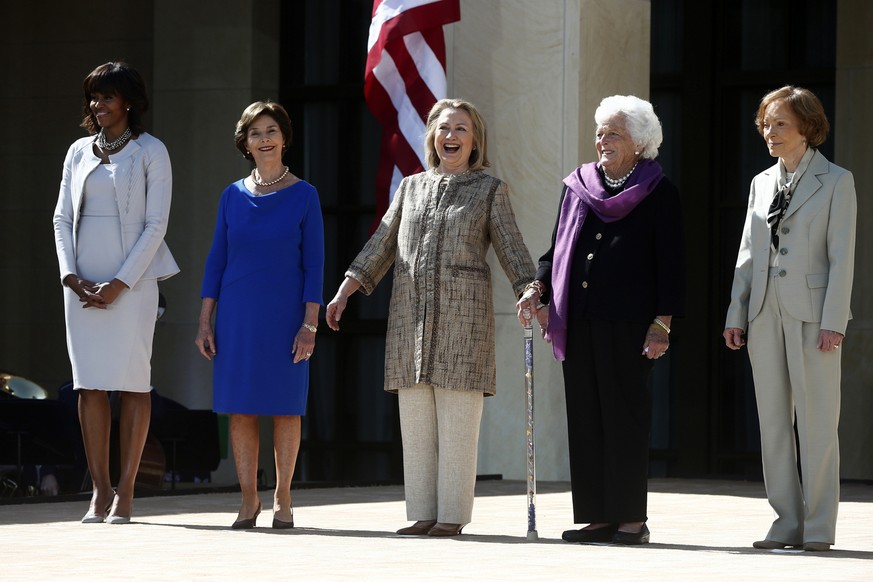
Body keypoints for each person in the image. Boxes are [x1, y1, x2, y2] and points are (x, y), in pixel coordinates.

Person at [326, 98, 535, 537]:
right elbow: (382, 242)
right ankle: (423, 513)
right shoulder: (411, 187)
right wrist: (346, 289)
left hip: (464, 326)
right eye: (443, 129)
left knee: (458, 427)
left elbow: (512, 248)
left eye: (461, 129)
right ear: (432, 137)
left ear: (474, 139)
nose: (451, 136)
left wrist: (530, 289)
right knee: (417, 427)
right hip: (409, 322)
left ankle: (452, 517)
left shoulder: (489, 189)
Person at [518, 95, 686, 545]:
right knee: (588, 417)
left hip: (630, 324)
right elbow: (555, 251)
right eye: (600, 132)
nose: (603, 140)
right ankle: (597, 516)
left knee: (624, 417)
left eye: (614, 133)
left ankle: (631, 518)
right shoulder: (579, 186)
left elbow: (671, 264)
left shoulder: (658, 190)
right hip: (580, 319)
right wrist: (537, 287)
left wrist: (662, 323)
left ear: (640, 141)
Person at [723, 86, 856, 552]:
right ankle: (786, 522)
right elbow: (747, 253)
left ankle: (819, 528)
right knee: (773, 424)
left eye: (779, 123)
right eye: (765, 123)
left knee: (818, 423)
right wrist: (736, 311)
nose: (769, 131)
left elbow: (843, 258)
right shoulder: (761, 182)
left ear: (807, 127)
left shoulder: (838, 181)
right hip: (764, 314)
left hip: (814, 317)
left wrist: (834, 320)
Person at [52, 61, 179, 524]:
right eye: (93, 97)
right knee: (89, 386)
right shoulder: (77, 152)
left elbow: (156, 224)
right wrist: (71, 276)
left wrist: (121, 283)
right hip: (82, 286)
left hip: (134, 284)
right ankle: (99, 492)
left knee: (132, 383)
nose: (97, 105)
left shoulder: (151, 151)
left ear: (128, 101)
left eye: (106, 96)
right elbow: (61, 218)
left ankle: (126, 492)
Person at [196, 101, 324, 530]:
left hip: (286, 316)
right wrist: (204, 319)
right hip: (237, 317)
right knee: (241, 409)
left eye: (271, 130)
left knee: (286, 408)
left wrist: (310, 324)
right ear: (245, 142)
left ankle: (283, 496)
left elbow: (315, 264)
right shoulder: (230, 195)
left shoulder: (305, 195)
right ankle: (248, 499)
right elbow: (216, 260)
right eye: (255, 132)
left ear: (284, 138)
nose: (264, 138)